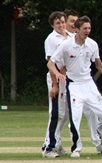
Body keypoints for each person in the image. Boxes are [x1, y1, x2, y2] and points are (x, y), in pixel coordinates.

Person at [47, 15, 102, 158]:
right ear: (76, 29)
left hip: (89, 84)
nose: (87, 31)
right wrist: (57, 74)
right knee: (75, 118)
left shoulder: (92, 44)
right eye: (84, 28)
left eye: (89, 28)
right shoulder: (66, 45)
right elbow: (50, 63)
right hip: (74, 86)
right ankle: (76, 148)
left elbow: (99, 65)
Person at [42, 11, 73, 158]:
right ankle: (48, 147)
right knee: (56, 114)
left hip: (68, 79)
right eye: (57, 23)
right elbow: (50, 63)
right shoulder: (51, 39)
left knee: (65, 114)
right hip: (56, 80)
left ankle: (57, 143)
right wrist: (55, 85)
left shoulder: (71, 36)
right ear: (53, 25)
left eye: (62, 21)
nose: (61, 25)